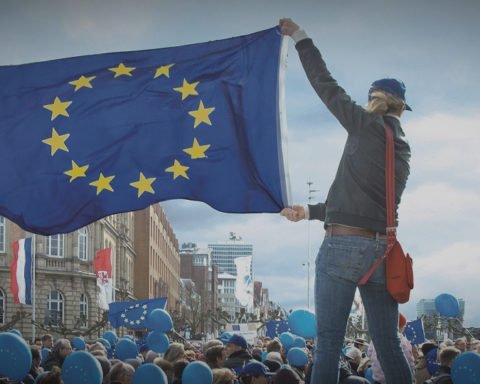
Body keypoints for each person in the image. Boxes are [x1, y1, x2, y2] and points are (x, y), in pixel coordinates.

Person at [279, 18, 412, 384]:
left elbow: (325, 84)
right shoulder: (402, 151)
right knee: (386, 341)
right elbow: (366, 207)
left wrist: (299, 36)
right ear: (400, 110)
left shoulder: (363, 125)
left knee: (328, 342)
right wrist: (308, 212)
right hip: (381, 252)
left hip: (341, 247)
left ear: (374, 101)